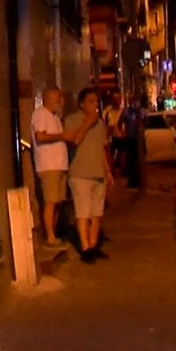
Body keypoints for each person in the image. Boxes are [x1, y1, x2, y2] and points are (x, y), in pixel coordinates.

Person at [31, 85, 90, 250]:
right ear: (49, 98)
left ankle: (53, 234)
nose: (62, 101)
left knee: (57, 202)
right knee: (50, 201)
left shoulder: (54, 117)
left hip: (59, 165)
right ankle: (49, 236)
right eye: (59, 98)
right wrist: (63, 136)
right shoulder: (41, 114)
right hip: (48, 165)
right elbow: (40, 136)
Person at [64, 87, 112, 262]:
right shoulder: (72, 120)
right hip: (80, 174)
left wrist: (107, 170)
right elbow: (75, 140)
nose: (95, 105)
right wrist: (87, 123)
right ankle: (85, 248)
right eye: (91, 101)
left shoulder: (100, 123)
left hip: (98, 173)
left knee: (96, 213)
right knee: (83, 213)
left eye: (96, 102)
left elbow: (102, 148)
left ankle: (93, 244)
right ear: (81, 104)